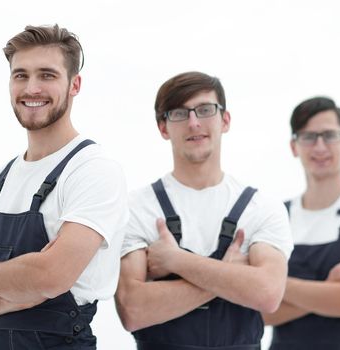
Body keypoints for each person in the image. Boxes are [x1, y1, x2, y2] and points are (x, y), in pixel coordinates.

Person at [0, 24, 128, 350]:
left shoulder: (94, 171)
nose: (32, 88)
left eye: (47, 75)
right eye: (20, 75)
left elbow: (52, 275)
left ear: (74, 84)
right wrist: (27, 288)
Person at [115, 71, 293, 350]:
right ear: (163, 128)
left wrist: (176, 261)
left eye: (205, 110)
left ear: (225, 120)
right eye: (179, 113)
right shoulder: (136, 207)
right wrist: (229, 275)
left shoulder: (263, 208)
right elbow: (133, 310)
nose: (194, 122)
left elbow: (268, 294)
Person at [263, 97, 340, 349]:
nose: (320, 146)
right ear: (294, 146)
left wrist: (277, 286)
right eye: (309, 137)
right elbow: (259, 314)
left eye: (330, 135)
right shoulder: (277, 217)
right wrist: (329, 290)